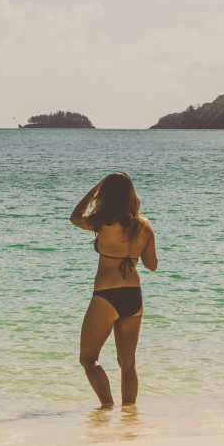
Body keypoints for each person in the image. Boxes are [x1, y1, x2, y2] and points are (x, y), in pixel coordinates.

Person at [70, 173, 158, 407]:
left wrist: (95, 189)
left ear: (106, 195)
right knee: (128, 362)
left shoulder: (102, 222)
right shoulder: (145, 225)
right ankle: (129, 416)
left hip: (106, 296)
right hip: (133, 296)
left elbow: (75, 217)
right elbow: (152, 266)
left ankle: (107, 407)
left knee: (88, 359)